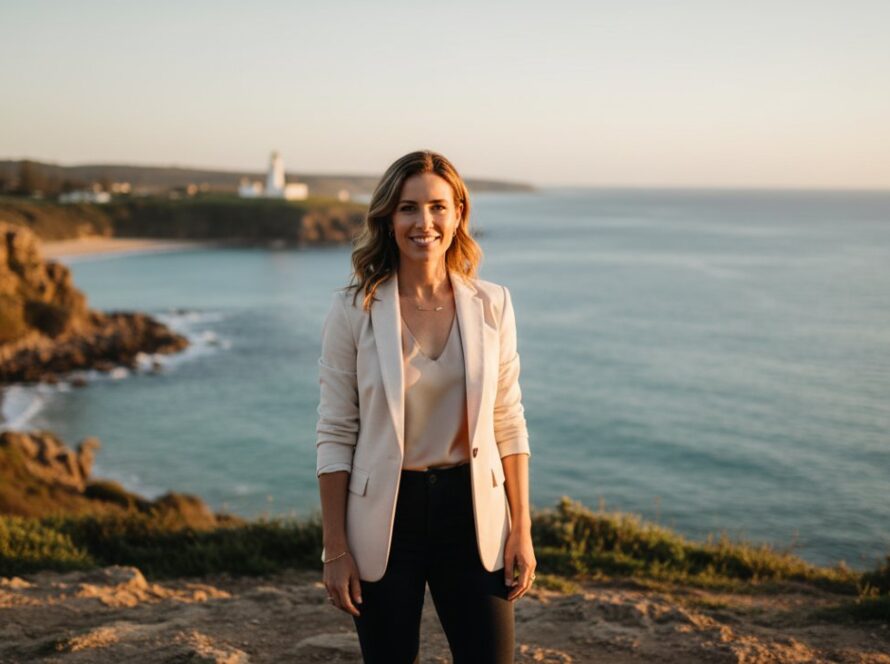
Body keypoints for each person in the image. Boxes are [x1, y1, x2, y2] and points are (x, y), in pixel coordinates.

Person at [315, 149, 535, 663]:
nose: (424, 222)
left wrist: (521, 529)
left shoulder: (493, 303)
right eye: (408, 208)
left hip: (474, 512)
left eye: (438, 206)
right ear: (389, 218)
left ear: (459, 213)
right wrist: (336, 548)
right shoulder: (353, 310)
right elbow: (335, 432)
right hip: (386, 518)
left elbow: (509, 420)